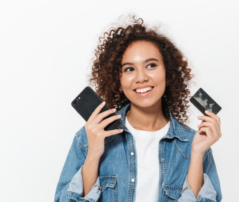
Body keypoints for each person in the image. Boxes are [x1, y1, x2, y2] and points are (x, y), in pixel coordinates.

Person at [54, 14, 222, 202]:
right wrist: (93, 152)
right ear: (118, 80)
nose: (141, 77)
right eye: (129, 69)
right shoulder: (89, 137)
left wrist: (197, 154)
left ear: (168, 73)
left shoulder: (195, 143)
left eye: (151, 65)